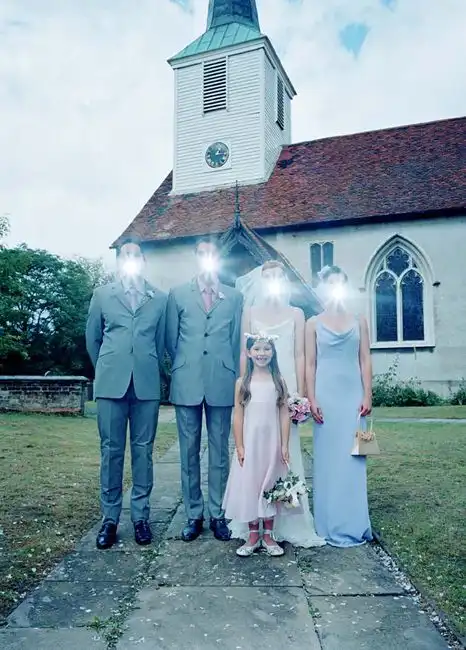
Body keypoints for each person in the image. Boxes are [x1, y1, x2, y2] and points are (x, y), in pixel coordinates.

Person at [233, 261, 325, 548]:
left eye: (278, 276)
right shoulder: (250, 313)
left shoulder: (296, 314)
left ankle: (285, 522)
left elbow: (300, 355)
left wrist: (301, 395)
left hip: (285, 389)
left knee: (285, 453)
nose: (273, 280)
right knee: (256, 451)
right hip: (257, 387)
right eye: (268, 276)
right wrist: (245, 386)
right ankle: (253, 520)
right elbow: (244, 353)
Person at [85, 237, 167, 549]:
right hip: (110, 384)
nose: (131, 259)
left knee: (143, 451)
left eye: (136, 255)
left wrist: (144, 364)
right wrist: (108, 367)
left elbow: (160, 342)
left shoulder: (159, 298)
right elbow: (93, 339)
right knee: (111, 451)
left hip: (146, 384)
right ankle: (110, 519)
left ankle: (141, 517)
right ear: (119, 261)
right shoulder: (102, 295)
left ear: (144, 261)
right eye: (125, 254)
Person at [165, 236, 243, 542]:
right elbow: (171, 340)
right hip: (187, 381)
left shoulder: (234, 297)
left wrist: (229, 370)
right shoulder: (177, 294)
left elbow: (236, 341)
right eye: (202, 254)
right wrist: (187, 364)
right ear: (196, 258)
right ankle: (193, 514)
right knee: (188, 451)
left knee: (220, 451)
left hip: (221, 380)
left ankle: (218, 513)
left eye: (212, 254)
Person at [305, 265, 373, 547]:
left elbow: (365, 359)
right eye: (330, 284)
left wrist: (368, 394)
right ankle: (328, 522)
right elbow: (310, 364)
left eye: (339, 284)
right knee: (328, 460)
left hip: (354, 397)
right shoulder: (312, 323)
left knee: (356, 457)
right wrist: (311, 398)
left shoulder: (360, 320)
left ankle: (355, 522)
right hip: (326, 397)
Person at [223, 333, 290, 557]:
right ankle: (252, 535)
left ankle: (268, 535)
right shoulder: (243, 383)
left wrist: (284, 445)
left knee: (270, 484)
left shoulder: (279, 381)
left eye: (266, 349)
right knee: (250, 484)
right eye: (257, 349)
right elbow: (238, 416)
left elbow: (284, 414)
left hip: (272, 443)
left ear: (273, 352)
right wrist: (240, 445)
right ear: (249, 353)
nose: (262, 353)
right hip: (251, 443)